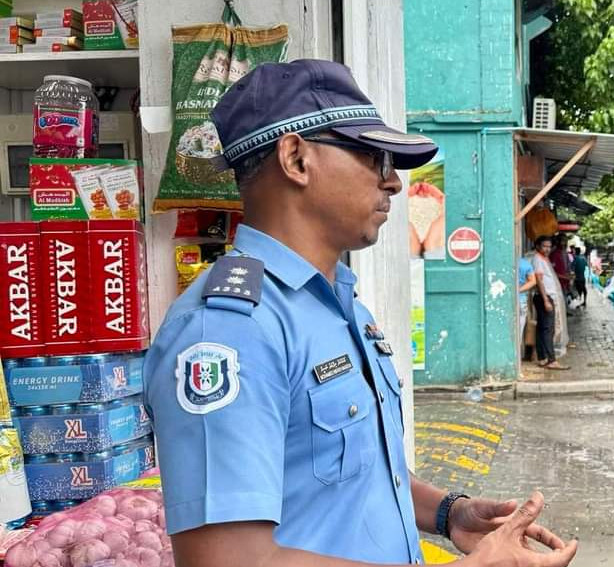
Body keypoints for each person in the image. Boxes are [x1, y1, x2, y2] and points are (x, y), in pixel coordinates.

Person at [143, 60, 577, 567]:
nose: (392, 183)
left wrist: (448, 514)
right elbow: (229, 560)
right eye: (373, 157)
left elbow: (355, 475)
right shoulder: (229, 329)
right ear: (296, 158)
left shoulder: (339, 301)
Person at [531, 236, 570, 370]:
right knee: (548, 329)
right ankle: (551, 360)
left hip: (544, 297)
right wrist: (546, 300)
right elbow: (539, 280)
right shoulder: (537, 259)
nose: (547, 249)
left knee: (542, 328)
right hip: (544, 297)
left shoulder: (543, 258)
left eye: (549, 246)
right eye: (544, 246)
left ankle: (542, 358)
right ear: (537, 246)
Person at [518, 255, 537, 347]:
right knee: (519, 329)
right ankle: (516, 351)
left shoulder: (502, 262)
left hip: (503, 300)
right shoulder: (525, 264)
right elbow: (533, 281)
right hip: (521, 300)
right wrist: (519, 290)